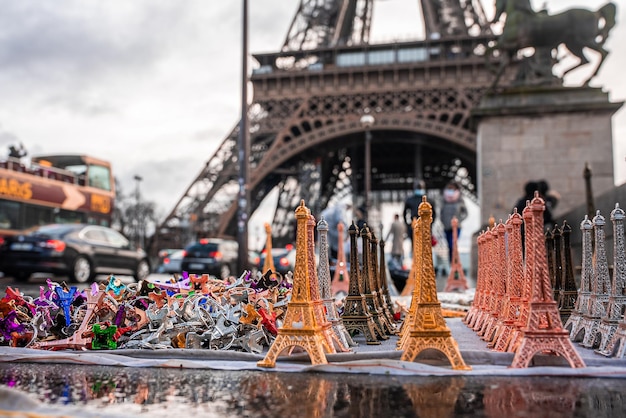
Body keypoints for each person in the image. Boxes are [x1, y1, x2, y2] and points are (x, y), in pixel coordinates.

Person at [440, 181, 467, 264]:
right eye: (449, 188)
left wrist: (459, 221)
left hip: (456, 227)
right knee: (450, 246)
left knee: (453, 245)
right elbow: (441, 213)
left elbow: (465, 213)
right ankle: (452, 263)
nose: (450, 190)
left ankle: (455, 263)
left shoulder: (460, 200)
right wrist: (444, 222)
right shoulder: (444, 200)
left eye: (452, 188)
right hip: (447, 227)